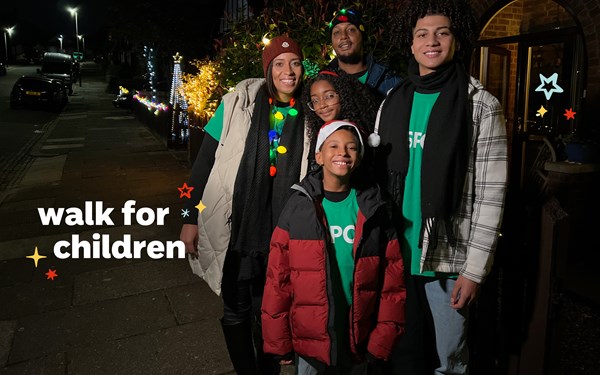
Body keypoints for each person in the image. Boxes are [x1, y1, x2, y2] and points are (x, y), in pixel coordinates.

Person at [369, 0, 508, 373]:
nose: (432, 41)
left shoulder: (480, 105)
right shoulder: (394, 102)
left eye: (442, 33)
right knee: (405, 356)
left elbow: (491, 194)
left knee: (449, 362)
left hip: (448, 257)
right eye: (422, 34)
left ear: (456, 41)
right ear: (412, 45)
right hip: (399, 252)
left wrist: (475, 269)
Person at [180, 35, 312, 375]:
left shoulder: (311, 112)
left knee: (270, 310)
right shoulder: (237, 103)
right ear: (267, 70)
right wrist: (187, 217)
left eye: (295, 62)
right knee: (236, 308)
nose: (288, 70)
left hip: (281, 231)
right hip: (236, 227)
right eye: (279, 64)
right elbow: (202, 164)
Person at [261, 120, 406, 374]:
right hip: (310, 342)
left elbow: (392, 282)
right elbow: (277, 280)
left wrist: (382, 339)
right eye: (334, 146)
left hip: (358, 341)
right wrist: (278, 341)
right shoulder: (298, 207)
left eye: (351, 147)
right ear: (319, 154)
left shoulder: (374, 209)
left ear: (359, 158)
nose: (343, 153)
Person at [302, 69, 379, 180]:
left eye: (329, 96)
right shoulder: (321, 131)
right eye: (315, 100)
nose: (322, 105)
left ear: (343, 95)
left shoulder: (352, 132)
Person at [326, 8, 402, 99]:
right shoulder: (323, 82)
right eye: (337, 32)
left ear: (363, 36)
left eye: (351, 30)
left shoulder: (389, 82)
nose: (343, 36)